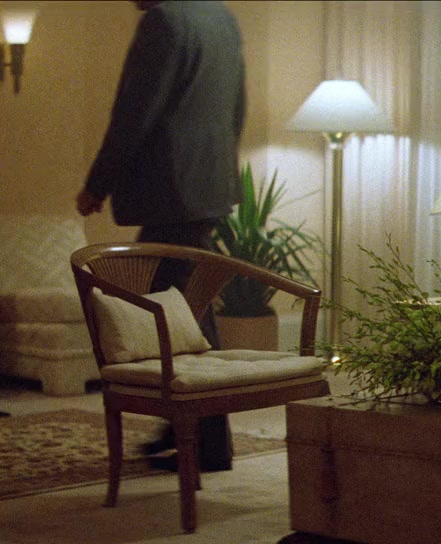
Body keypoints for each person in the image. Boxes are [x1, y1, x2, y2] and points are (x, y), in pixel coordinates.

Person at [76, 0, 246, 471]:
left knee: (183, 318)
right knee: (183, 310)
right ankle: (184, 429)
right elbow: (236, 110)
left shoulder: (163, 21)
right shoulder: (220, 17)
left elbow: (135, 113)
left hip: (170, 190)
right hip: (205, 186)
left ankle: (208, 445)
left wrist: (98, 184)